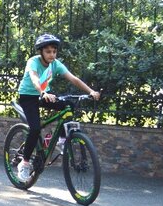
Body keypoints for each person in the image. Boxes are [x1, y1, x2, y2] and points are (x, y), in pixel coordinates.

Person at [15, 34, 100, 182]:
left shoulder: (56, 64)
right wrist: (43, 92)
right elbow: (34, 77)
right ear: (41, 52)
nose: (52, 54)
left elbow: (74, 79)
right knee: (35, 129)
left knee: (69, 105)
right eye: (48, 51)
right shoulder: (33, 62)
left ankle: (62, 139)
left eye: (54, 51)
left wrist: (91, 91)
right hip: (28, 96)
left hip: (45, 95)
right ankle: (25, 163)